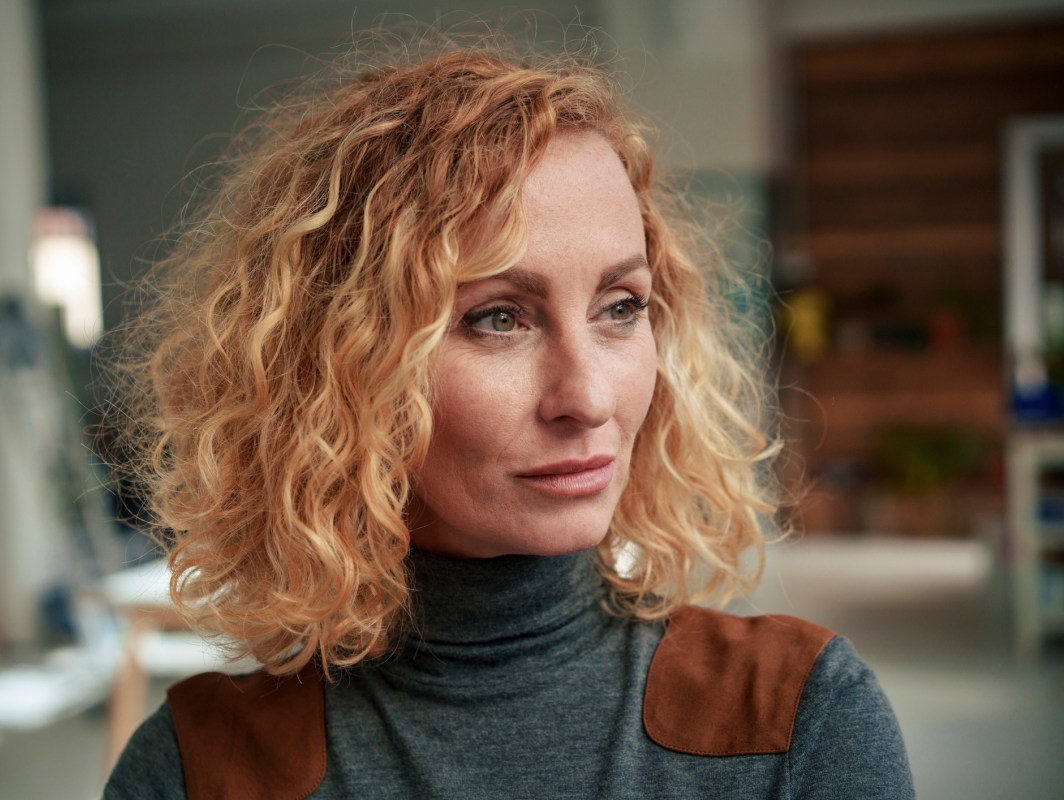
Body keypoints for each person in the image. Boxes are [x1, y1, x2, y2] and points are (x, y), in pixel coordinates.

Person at [104, 31, 914, 800]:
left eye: (622, 307)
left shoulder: (796, 718)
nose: (590, 398)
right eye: (499, 318)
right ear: (340, 366)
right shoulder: (196, 770)